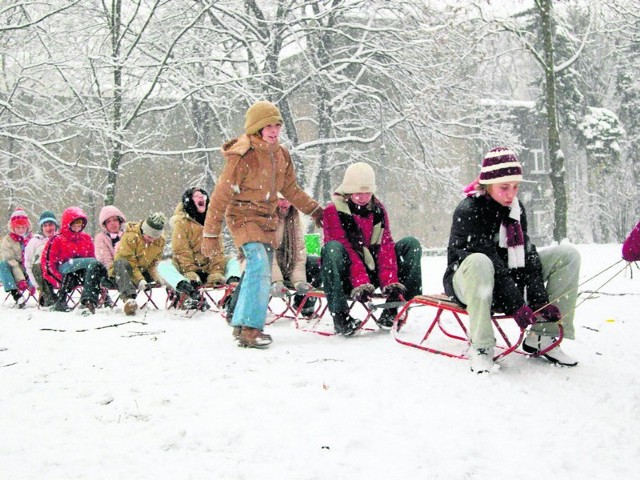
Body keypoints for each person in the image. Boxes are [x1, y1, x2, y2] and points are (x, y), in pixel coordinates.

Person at [443, 147, 581, 374]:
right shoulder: (469, 210)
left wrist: (539, 302)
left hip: (506, 278)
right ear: (487, 185)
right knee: (480, 261)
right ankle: (481, 346)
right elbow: (492, 262)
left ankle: (543, 337)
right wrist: (517, 305)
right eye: (504, 187)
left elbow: (527, 255)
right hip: (467, 279)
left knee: (567, 255)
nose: (511, 194)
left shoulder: (515, 209)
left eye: (516, 187)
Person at [201, 100, 324, 348]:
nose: (274, 130)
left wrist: (314, 210)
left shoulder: (281, 155)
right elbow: (220, 196)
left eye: (277, 124)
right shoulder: (242, 155)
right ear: (256, 128)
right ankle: (251, 328)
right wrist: (210, 234)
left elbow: (290, 189)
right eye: (268, 125)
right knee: (258, 265)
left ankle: (239, 321)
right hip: (243, 217)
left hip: (268, 219)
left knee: (256, 272)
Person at [321, 162, 423, 335]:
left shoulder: (378, 210)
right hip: (347, 274)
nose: (363, 197)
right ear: (348, 191)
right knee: (332, 249)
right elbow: (349, 249)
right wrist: (360, 283)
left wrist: (390, 281)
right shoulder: (333, 210)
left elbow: (385, 245)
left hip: (373, 270)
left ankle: (394, 307)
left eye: (367, 192)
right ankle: (340, 317)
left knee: (411, 245)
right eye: (358, 192)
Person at [226, 194, 321, 324]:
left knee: (317, 263)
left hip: (285, 261)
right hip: (258, 258)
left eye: (289, 200)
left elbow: (299, 250)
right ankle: (235, 310)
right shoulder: (264, 215)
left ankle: (304, 304)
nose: (285, 204)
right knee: (255, 267)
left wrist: (299, 281)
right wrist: (276, 280)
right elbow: (267, 250)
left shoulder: (293, 216)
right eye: (281, 199)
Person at [109, 212, 185, 315]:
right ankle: (129, 300)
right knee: (121, 263)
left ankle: (180, 295)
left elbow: (154, 263)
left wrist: (159, 277)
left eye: (154, 239)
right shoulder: (130, 237)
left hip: (143, 271)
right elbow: (130, 261)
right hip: (124, 273)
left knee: (167, 265)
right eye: (149, 237)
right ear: (143, 231)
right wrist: (140, 280)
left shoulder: (160, 241)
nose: (151, 241)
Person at [41, 207, 108, 314]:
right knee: (93, 262)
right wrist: (58, 281)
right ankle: (90, 297)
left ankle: (90, 300)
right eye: (74, 225)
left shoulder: (86, 238)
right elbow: (48, 264)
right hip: (64, 268)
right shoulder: (57, 239)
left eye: (79, 225)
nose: (77, 227)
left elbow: (92, 258)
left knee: (93, 266)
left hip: (81, 271)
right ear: (68, 224)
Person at [169, 187, 228, 286]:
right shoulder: (181, 223)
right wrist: (191, 272)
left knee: (233, 261)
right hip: (188, 270)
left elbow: (217, 251)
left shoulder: (212, 222)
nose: (200, 196)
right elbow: (181, 251)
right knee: (164, 266)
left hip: (209, 269)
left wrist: (215, 272)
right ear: (189, 202)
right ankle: (182, 285)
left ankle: (233, 284)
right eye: (196, 196)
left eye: (202, 195)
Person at [0, 208, 35, 305]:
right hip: (14, 269)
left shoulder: (32, 239)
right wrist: (21, 279)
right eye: (18, 227)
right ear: (13, 227)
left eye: (23, 227)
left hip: (30, 268)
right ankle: (15, 293)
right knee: (3, 265)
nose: (21, 230)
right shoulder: (7, 240)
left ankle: (44, 294)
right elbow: (10, 260)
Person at [24, 210, 60, 306]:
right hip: (41, 275)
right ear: (41, 227)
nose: (48, 228)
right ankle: (48, 296)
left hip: (58, 273)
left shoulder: (60, 239)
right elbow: (28, 265)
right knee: (40, 264)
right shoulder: (34, 242)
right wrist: (36, 285)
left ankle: (58, 297)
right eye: (45, 225)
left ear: (55, 226)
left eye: (51, 224)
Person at [94, 205, 126, 270]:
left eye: (115, 220)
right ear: (104, 225)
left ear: (120, 222)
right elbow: (105, 260)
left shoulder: (127, 234)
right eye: (108, 221)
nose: (112, 223)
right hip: (110, 272)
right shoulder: (101, 238)